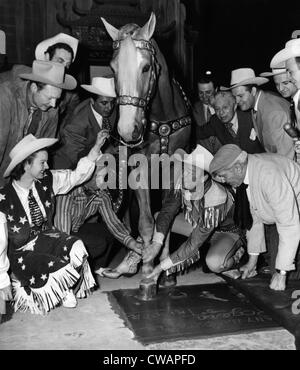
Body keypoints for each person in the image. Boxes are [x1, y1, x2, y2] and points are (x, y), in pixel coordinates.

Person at [0, 130, 109, 315]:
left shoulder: (46, 181)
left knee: (77, 246)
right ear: (26, 165)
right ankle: (30, 284)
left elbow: (76, 176)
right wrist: (2, 279)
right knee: (57, 267)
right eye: (42, 162)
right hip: (20, 252)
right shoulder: (3, 199)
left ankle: (61, 286)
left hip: (46, 238)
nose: (47, 166)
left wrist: (96, 148)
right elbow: (0, 244)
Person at [143, 145, 245, 281]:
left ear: (203, 179)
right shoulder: (184, 181)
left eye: (191, 173)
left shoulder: (217, 197)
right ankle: (155, 254)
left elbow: (193, 244)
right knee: (159, 218)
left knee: (214, 263)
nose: (184, 176)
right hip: (199, 225)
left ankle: (236, 256)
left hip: (226, 233)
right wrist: (156, 244)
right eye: (185, 170)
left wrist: (160, 268)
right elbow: (167, 212)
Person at [209, 144, 300, 291]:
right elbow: (254, 219)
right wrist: (252, 263)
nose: (223, 181)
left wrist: (282, 273)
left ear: (237, 168)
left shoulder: (269, 175)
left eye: (223, 176)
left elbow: (289, 225)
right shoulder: (244, 175)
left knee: (290, 275)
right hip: (280, 215)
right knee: (275, 266)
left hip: (294, 216)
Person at [0, 60, 77, 187]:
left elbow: (43, 150)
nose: (54, 104)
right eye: (49, 98)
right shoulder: (5, 97)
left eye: (57, 99)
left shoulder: (52, 109)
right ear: (34, 87)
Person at [0, 33, 80, 133]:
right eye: (60, 61)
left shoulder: (70, 95)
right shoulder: (9, 85)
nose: (63, 69)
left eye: (67, 65)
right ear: (46, 57)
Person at [224, 68, 294, 158]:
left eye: (240, 96)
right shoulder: (258, 103)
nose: (236, 101)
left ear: (253, 91)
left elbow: (286, 159)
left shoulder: (274, 113)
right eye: (234, 97)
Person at [52, 77, 117, 169]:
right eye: (104, 103)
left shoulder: (110, 110)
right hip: (69, 167)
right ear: (92, 101)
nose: (109, 107)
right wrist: (104, 153)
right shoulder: (77, 124)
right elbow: (75, 156)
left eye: (112, 102)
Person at [196, 90, 264, 154]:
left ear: (234, 106)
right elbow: (197, 133)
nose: (221, 113)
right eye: (217, 109)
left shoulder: (250, 116)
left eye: (225, 107)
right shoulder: (215, 121)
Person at [192, 72, 222, 153]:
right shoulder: (192, 110)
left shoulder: (225, 107)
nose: (204, 96)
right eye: (201, 93)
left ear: (216, 90)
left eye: (208, 92)